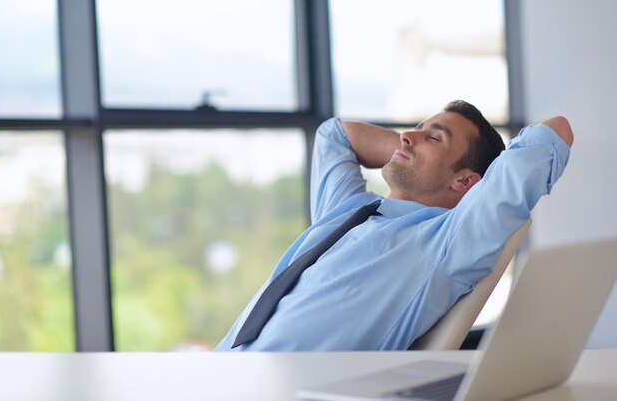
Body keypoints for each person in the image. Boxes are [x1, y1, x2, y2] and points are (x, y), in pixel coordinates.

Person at [215, 100, 573, 351]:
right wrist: (415, 153)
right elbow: (334, 135)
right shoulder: (348, 210)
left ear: (465, 183)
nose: (406, 136)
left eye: (435, 137)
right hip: (221, 372)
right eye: (415, 130)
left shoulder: (446, 243)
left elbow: (555, 131)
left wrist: (427, 161)